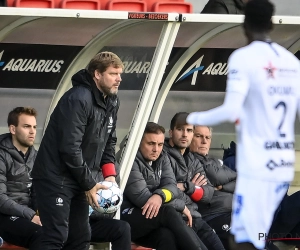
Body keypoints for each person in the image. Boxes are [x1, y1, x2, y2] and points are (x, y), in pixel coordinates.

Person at [187, 0, 300, 249]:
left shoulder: (244, 57)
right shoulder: (291, 62)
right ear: (271, 23)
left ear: (245, 26)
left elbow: (231, 108)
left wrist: (193, 119)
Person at [32, 52, 123, 250]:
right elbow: (69, 148)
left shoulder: (112, 101)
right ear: (97, 74)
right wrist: (90, 183)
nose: (119, 79)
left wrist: (110, 177)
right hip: (55, 178)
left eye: (120, 73)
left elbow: (109, 141)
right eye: (113, 73)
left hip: (79, 180)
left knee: (80, 237)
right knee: (56, 236)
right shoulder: (78, 99)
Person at [121, 122, 205, 250]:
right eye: (151, 144)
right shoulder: (129, 159)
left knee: (166, 236)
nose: (156, 149)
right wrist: (181, 205)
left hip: (150, 217)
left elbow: (172, 186)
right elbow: (143, 199)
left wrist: (159, 196)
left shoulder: (162, 157)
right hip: (128, 215)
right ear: (138, 143)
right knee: (169, 213)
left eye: (160, 144)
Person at [164, 112, 228, 250]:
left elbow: (208, 193)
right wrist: (192, 188)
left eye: (189, 130)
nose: (185, 134)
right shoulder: (163, 155)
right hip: (177, 219)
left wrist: (188, 187)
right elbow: (167, 189)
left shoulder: (192, 159)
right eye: (180, 129)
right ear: (171, 132)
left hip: (196, 217)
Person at [0, 107, 42, 250]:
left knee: (63, 232)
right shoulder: (1, 154)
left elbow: (38, 193)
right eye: (26, 126)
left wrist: (43, 214)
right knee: (41, 235)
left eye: (34, 127)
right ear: (13, 129)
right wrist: (31, 215)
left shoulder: (36, 157)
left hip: (26, 215)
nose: (32, 131)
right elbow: (1, 199)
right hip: (4, 216)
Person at [189, 125, 237, 249]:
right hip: (215, 215)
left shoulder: (215, 162)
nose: (204, 141)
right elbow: (214, 176)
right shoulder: (188, 163)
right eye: (199, 136)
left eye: (207, 137)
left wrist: (222, 186)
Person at [89, 164, 132, 250]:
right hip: (73, 219)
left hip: (95, 221)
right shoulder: (80, 162)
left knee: (123, 228)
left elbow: (114, 206)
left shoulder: (112, 168)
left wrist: (98, 208)